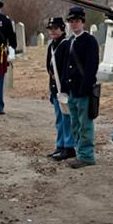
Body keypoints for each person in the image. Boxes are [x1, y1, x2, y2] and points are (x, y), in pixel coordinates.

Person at [62, 6, 99, 169]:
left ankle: (87, 155)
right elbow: (65, 65)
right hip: (72, 89)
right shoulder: (70, 41)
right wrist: (64, 86)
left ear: (83, 22)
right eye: (71, 21)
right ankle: (80, 153)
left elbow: (92, 67)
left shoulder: (89, 41)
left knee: (85, 125)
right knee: (75, 124)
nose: (74, 24)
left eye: (76, 21)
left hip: (83, 90)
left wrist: (85, 87)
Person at [45, 16, 75, 161]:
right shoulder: (52, 45)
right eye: (51, 29)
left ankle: (69, 147)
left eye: (55, 28)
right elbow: (48, 67)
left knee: (66, 118)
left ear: (62, 29)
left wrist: (64, 87)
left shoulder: (66, 44)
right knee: (59, 118)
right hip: (55, 87)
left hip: (63, 87)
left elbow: (66, 68)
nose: (53, 31)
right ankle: (60, 145)